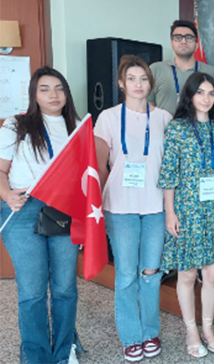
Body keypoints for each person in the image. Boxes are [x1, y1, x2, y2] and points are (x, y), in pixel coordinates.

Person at [0, 66, 82, 364]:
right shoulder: (17, 124)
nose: (53, 95)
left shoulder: (77, 127)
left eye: (59, 88)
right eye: (44, 89)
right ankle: (35, 355)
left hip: (63, 209)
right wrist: (6, 194)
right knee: (33, 290)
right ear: (34, 94)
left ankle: (63, 350)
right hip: (23, 208)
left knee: (64, 288)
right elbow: (1, 170)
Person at [95, 55, 172, 362]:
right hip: (120, 206)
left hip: (155, 206)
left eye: (143, 79)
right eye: (131, 79)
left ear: (150, 84)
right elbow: (100, 166)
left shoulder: (164, 117)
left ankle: (150, 332)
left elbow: (171, 166)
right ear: (121, 83)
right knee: (127, 274)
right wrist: (95, 207)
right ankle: (131, 337)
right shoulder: (108, 117)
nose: (138, 84)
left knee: (151, 273)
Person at [158, 72, 214, 358]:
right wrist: (170, 212)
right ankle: (191, 330)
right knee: (188, 273)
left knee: (212, 275)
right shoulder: (177, 128)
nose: (206, 98)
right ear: (189, 95)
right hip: (187, 210)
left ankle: (208, 328)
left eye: (211, 93)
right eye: (200, 92)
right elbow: (169, 173)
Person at [148, 20, 214, 115]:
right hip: (163, 124)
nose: (183, 41)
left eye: (189, 38)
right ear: (172, 43)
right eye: (178, 37)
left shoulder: (212, 73)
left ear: (196, 45)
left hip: (200, 124)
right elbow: (148, 104)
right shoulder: (155, 70)